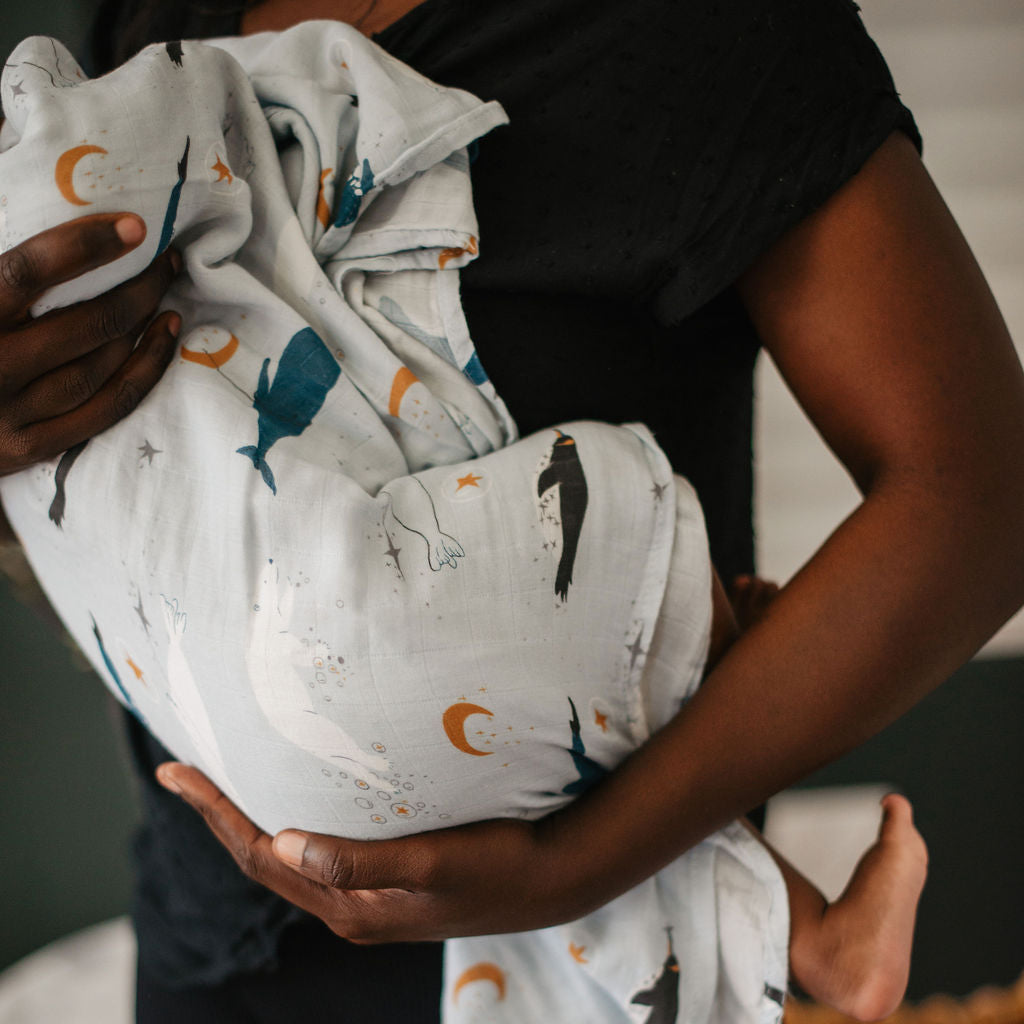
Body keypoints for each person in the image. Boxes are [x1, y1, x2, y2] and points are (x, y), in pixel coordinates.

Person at [0, 0, 1021, 1021]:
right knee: (558, 678)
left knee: (533, 695)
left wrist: (576, 865)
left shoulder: (714, 33)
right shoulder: (151, 21)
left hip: (443, 832)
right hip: (231, 924)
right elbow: (126, 542)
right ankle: (793, 912)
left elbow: (983, 498)